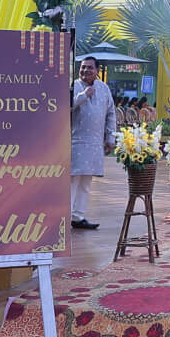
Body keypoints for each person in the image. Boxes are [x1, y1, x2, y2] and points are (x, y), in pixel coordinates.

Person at [70, 55, 116, 230]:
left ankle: (78, 217)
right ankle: (64, 218)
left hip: (95, 143)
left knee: (86, 181)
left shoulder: (103, 89)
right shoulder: (73, 87)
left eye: (90, 67)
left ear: (97, 71)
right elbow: (65, 106)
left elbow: (111, 114)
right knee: (72, 181)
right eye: (83, 67)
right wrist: (83, 95)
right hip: (75, 141)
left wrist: (110, 138)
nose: (85, 70)